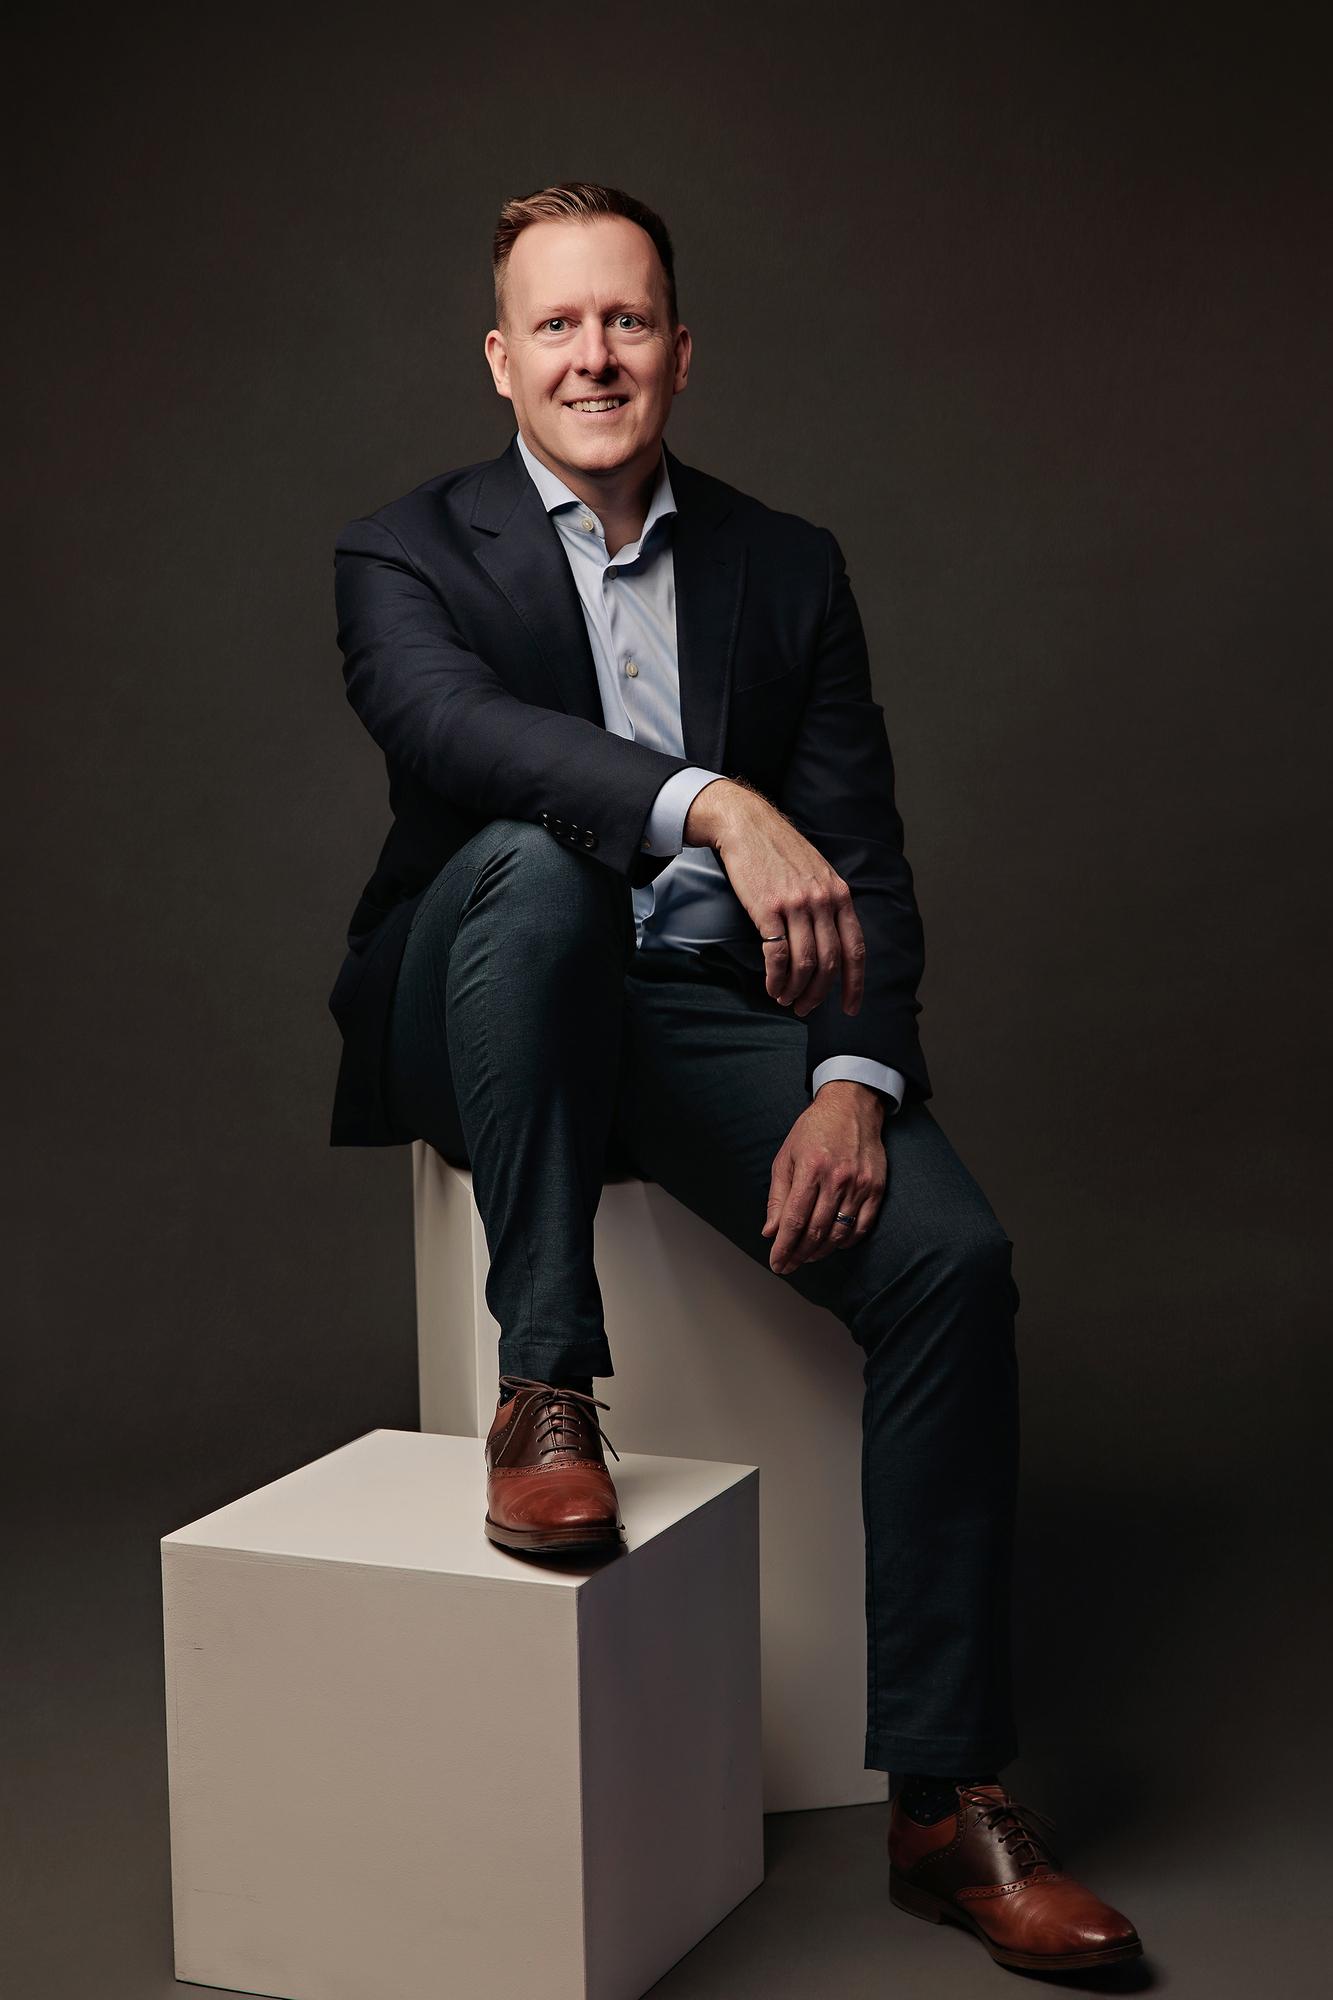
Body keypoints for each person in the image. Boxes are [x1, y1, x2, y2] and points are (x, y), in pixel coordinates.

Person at [326, 179, 1143, 1977]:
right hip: (476, 988)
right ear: (499, 361)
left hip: (693, 1015)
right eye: (556, 324)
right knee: (539, 864)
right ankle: (543, 1388)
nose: (594, 354)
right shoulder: (404, 552)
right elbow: (451, 736)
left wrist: (852, 1073)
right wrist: (704, 798)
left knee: (951, 1263)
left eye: (625, 320)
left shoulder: (786, 564)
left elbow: (866, 852)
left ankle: (943, 1800)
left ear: (679, 351)